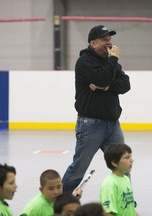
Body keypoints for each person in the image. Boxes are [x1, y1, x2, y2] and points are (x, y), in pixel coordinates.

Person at [62, 24, 131, 194]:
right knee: (79, 169)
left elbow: (125, 84)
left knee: (123, 165)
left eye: (110, 39)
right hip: (90, 126)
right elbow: (102, 78)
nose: (109, 43)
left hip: (113, 125)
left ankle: (126, 200)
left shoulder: (110, 62)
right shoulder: (85, 62)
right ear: (93, 43)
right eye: (104, 39)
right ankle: (59, 204)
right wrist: (112, 63)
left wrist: (106, 87)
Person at [100, 143, 137, 216]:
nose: (132, 160)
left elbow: (129, 207)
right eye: (127, 157)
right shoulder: (109, 184)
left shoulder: (126, 179)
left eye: (131, 157)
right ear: (114, 162)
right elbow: (107, 213)